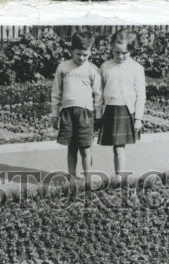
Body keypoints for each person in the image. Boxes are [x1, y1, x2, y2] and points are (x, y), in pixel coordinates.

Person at [50, 33, 103, 181]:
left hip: (86, 113)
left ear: (91, 51)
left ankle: (88, 179)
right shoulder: (63, 67)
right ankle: (72, 176)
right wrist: (55, 114)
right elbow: (56, 92)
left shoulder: (93, 70)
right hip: (67, 112)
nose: (81, 58)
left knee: (85, 147)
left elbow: (98, 94)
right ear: (71, 50)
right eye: (78, 54)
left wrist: (98, 114)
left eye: (85, 55)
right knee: (71, 147)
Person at [99, 30, 147, 180]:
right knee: (116, 148)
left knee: (119, 147)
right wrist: (98, 114)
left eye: (124, 53)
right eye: (116, 52)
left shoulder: (136, 68)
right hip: (111, 110)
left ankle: (119, 178)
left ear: (131, 50)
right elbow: (99, 93)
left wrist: (138, 118)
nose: (120, 56)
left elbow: (141, 95)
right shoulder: (105, 67)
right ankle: (119, 177)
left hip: (126, 110)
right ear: (111, 48)